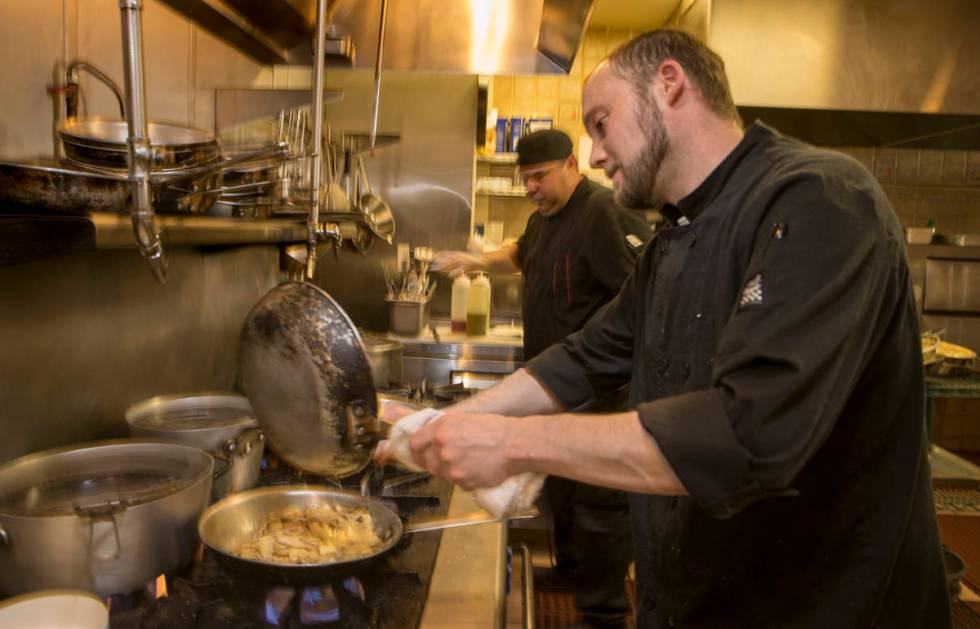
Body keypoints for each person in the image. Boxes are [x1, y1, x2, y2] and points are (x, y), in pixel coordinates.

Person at [381, 29, 952, 628]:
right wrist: (452, 423)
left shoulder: (820, 200)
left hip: (820, 603)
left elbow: (744, 435)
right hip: (698, 596)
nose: (596, 155)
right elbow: (585, 356)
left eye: (601, 123)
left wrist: (510, 444)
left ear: (669, 84)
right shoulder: (673, 239)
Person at [433, 128, 652, 628]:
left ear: (573, 165)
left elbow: (644, 293)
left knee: (600, 502)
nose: (531, 187)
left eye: (539, 176)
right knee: (565, 491)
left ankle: (605, 611)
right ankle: (572, 576)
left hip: (602, 392)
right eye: (525, 179)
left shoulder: (604, 213)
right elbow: (520, 252)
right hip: (556, 389)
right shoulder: (545, 217)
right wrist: (477, 259)